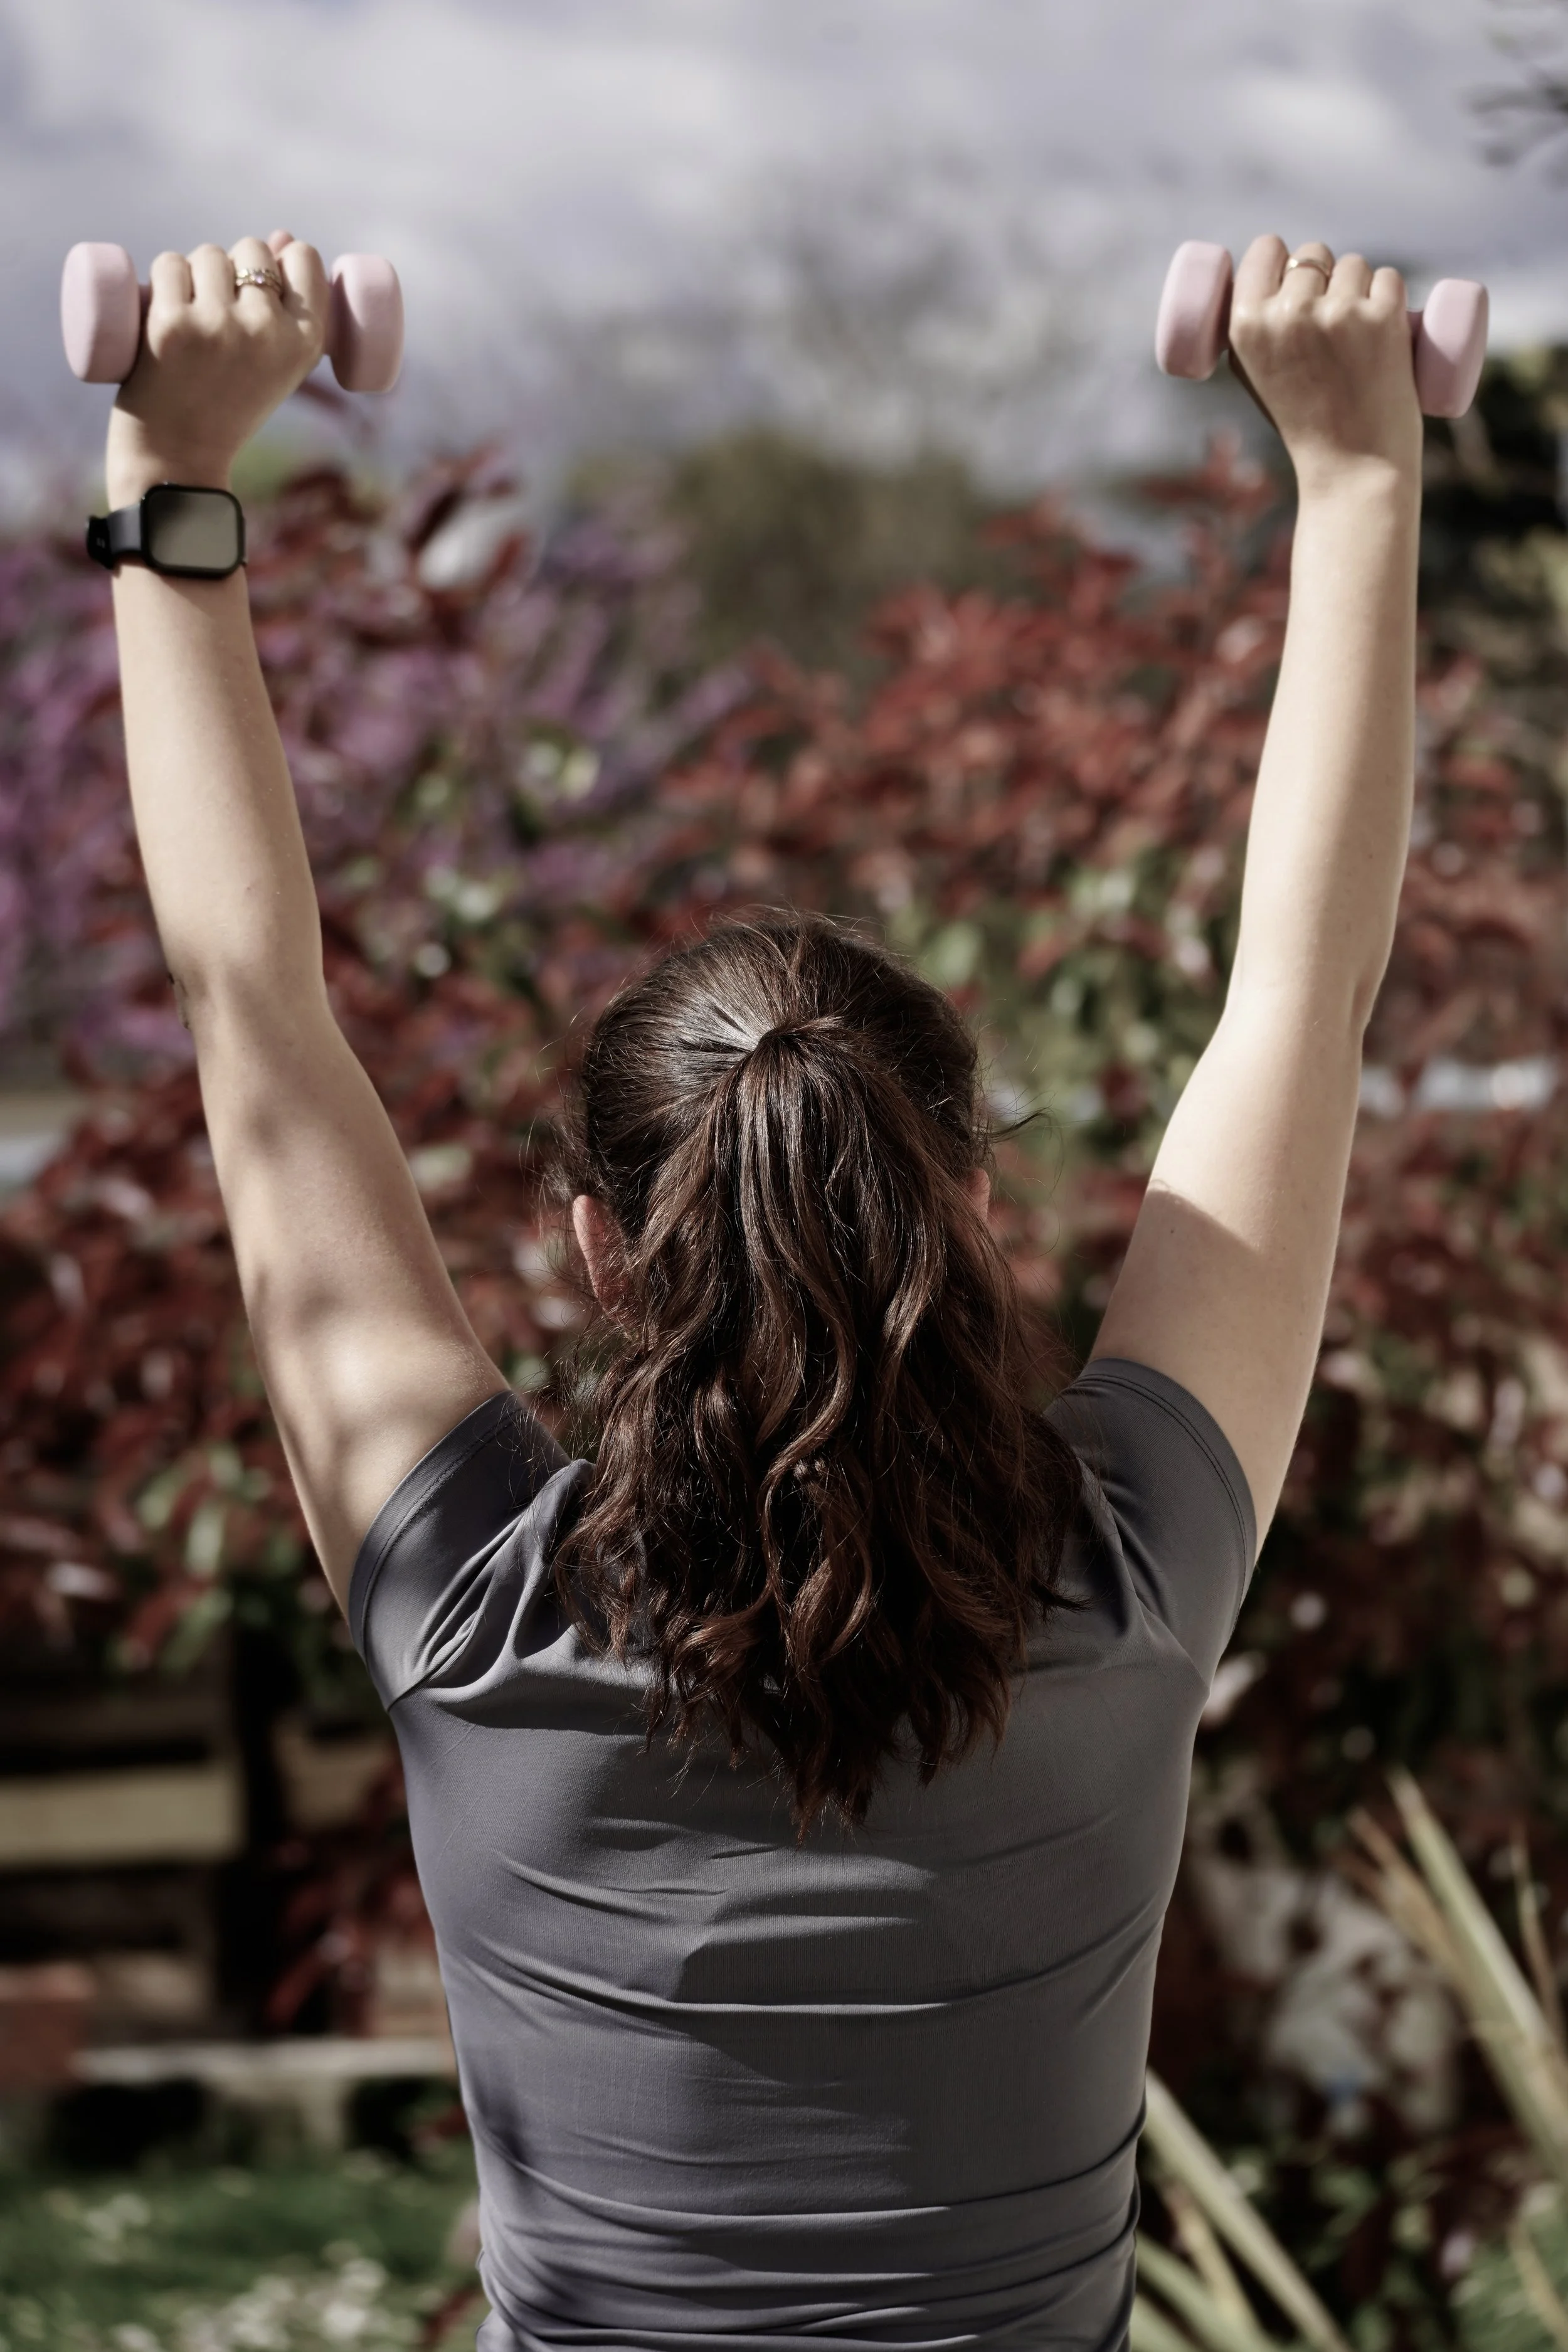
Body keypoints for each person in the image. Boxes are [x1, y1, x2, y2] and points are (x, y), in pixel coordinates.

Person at [100, 229, 1420, 2350]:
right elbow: (1305, 993)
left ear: (599, 1247)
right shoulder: (1123, 1583)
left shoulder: (480, 1615)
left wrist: (170, 464)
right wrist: (1359, 473)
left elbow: (247, 1010)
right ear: (960, 1208)